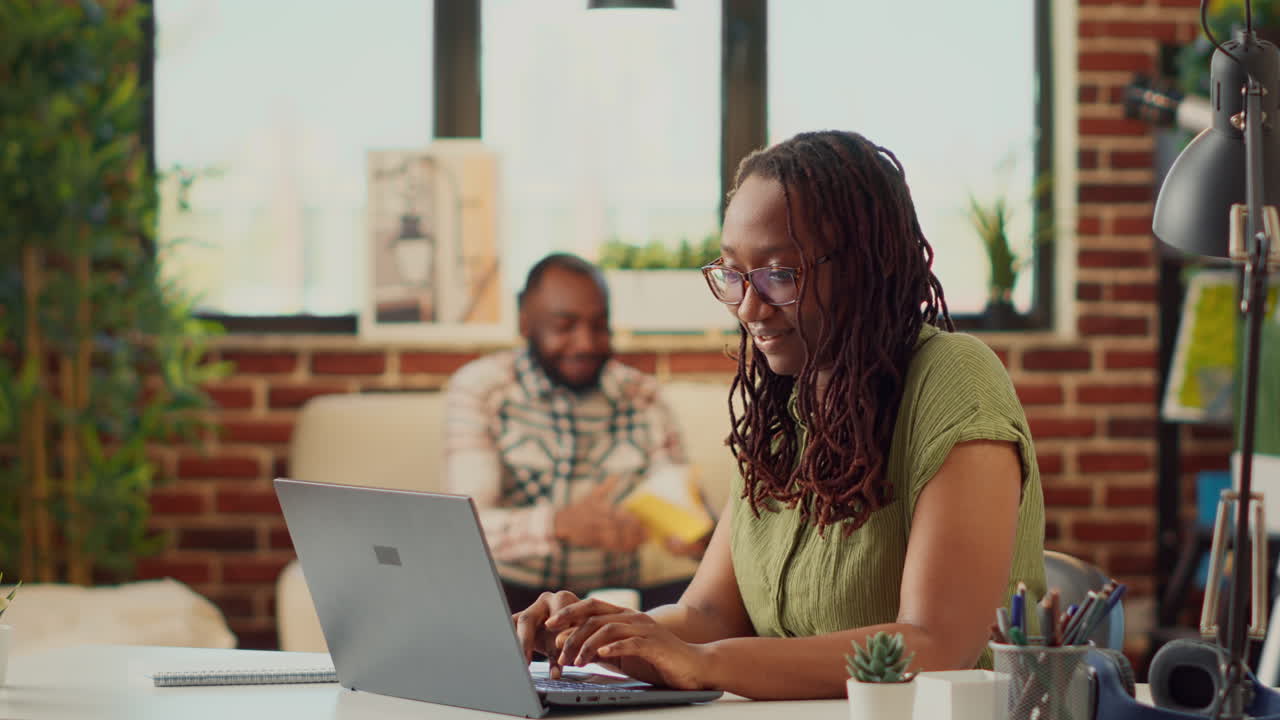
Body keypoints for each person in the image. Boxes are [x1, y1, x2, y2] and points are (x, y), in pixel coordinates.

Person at [511, 131, 1047, 699]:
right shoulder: (783, 404)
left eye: (780, 275)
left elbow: (937, 644)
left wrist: (705, 663)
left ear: (864, 267)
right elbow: (708, 615)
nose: (748, 307)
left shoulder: (954, 377)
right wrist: (589, 636)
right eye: (734, 274)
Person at [444, 253, 707, 613]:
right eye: (565, 326)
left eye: (599, 326)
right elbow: (464, 530)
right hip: (510, 598)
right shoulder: (481, 390)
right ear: (525, 321)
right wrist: (561, 524)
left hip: (614, 602)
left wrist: (696, 537)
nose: (585, 343)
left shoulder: (643, 396)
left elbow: (686, 505)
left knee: (704, 604)